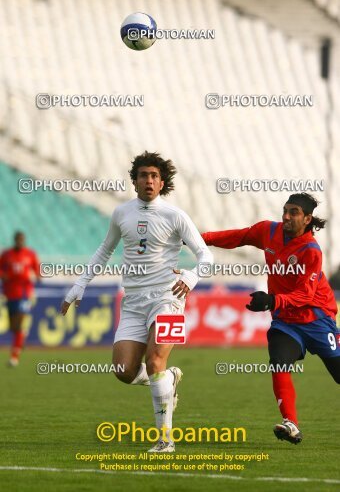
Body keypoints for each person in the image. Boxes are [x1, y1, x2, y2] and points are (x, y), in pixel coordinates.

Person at [61, 151, 213, 452]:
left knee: (155, 360)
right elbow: (105, 250)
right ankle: (167, 380)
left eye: (154, 176)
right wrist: (80, 284)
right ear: (134, 181)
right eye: (143, 175)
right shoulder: (121, 213)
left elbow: (206, 255)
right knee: (122, 370)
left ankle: (165, 440)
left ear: (162, 182)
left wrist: (193, 278)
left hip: (169, 298)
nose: (149, 180)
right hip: (132, 301)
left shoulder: (175, 216)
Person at [202, 192, 340, 444]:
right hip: (286, 320)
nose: (286, 216)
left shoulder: (311, 251)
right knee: (278, 361)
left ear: (307, 219)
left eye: (294, 212)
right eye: (285, 210)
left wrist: (272, 300)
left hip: (316, 318)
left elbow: (306, 294)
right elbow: (238, 237)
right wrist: (201, 239)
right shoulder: (268, 231)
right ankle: (291, 423)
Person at [0, 231, 40, 366]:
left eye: (22, 239)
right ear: (14, 240)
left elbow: (37, 270)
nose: (20, 242)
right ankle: (22, 336)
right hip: (10, 293)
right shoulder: (7, 254)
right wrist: (3, 274)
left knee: (18, 323)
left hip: (24, 293)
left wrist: (37, 276)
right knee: (13, 327)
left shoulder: (30, 254)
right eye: (18, 239)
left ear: (24, 241)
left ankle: (14, 357)